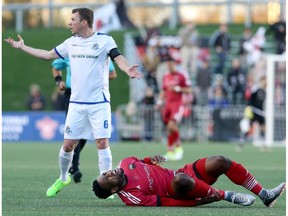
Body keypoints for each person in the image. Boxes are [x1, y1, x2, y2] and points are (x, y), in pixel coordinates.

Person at [5, 7, 143, 198]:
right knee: (68, 146)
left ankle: (106, 183)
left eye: (73, 19)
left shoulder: (104, 40)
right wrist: (23, 47)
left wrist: (127, 69)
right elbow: (47, 55)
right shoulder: (71, 43)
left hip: (99, 104)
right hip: (77, 104)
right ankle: (63, 177)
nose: (69, 23)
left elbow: (118, 58)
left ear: (84, 22)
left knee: (102, 142)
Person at [92, 154, 285, 207]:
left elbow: (142, 161)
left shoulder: (126, 162)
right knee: (180, 179)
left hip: (182, 172)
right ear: (113, 189)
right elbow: (166, 202)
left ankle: (264, 194)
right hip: (177, 187)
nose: (108, 173)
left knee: (220, 161)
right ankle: (226, 196)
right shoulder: (131, 197)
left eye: (105, 173)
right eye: (107, 178)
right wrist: (196, 202)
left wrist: (151, 159)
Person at [51, 57, 117, 183]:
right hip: (72, 95)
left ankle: (76, 166)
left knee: (89, 134)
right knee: (73, 135)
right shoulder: (70, 48)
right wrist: (59, 80)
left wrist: (93, 78)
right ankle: (71, 169)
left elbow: (113, 74)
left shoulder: (99, 49)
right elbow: (55, 66)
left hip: (94, 96)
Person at [156, 58, 192, 161]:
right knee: (170, 128)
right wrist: (159, 102)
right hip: (168, 104)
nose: (169, 67)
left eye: (171, 65)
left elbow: (189, 89)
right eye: (168, 65)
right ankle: (171, 151)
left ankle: (179, 148)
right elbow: (163, 91)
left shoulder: (181, 75)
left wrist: (178, 88)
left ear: (175, 65)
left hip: (178, 103)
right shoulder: (166, 76)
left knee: (172, 125)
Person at [237, 76, 267, 152]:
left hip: (260, 112)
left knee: (263, 128)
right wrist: (248, 108)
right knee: (249, 128)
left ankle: (263, 145)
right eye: (265, 81)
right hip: (254, 111)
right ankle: (241, 143)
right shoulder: (256, 89)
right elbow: (250, 99)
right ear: (261, 81)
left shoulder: (264, 91)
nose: (266, 82)